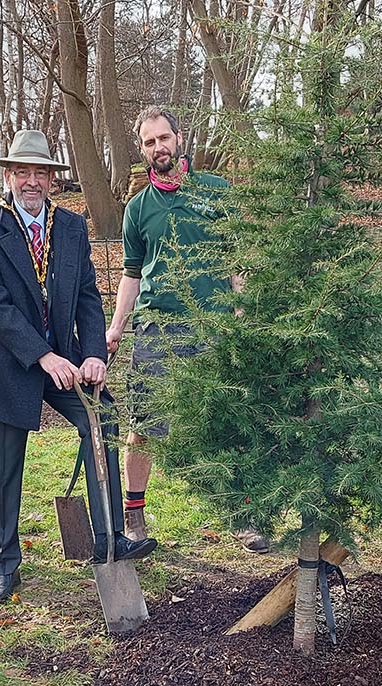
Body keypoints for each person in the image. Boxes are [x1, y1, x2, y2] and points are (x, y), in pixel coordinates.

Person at [0, 129, 158, 606]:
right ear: (9, 176)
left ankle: (110, 538)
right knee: (4, 465)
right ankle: (5, 564)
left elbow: (90, 296)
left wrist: (92, 351)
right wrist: (43, 356)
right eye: (23, 172)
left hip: (69, 358)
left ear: (52, 180)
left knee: (104, 419)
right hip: (12, 361)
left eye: (41, 173)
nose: (32, 181)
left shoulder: (71, 227)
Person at [105, 106, 262, 553]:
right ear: (142, 149)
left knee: (226, 422)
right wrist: (115, 328)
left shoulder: (216, 192)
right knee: (145, 426)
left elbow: (237, 263)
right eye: (150, 142)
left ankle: (243, 515)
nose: (159, 147)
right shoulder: (136, 209)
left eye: (164, 138)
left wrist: (240, 319)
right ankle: (134, 515)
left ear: (180, 137)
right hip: (157, 330)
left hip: (211, 328)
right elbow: (132, 274)